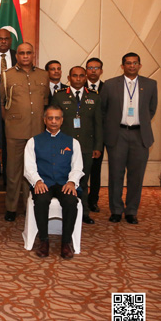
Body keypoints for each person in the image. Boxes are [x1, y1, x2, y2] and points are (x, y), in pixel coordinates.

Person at [101, 52, 157, 224]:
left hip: (140, 135)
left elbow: (151, 109)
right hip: (118, 134)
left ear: (140, 65)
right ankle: (116, 210)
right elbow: (103, 109)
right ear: (122, 65)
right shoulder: (110, 85)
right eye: (128, 63)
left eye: (135, 63)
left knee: (136, 176)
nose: (132, 66)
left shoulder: (150, 84)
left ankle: (132, 211)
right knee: (116, 174)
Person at [24, 105, 83, 260]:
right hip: (43, 182)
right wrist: (37, 181)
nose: (54, 121)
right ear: (45, 120)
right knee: (41, 199)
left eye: (57, 118)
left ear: (62, 120)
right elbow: (29, 166)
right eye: (50, 118)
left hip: (64, 183)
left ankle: (65, 242)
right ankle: (43, 241)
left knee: (71, 202)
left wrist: (71, 182)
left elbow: (78, 166)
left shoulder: (73, 143)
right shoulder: (33, 142)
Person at [0, 42, 49, 222]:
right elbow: (0, 103)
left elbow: (46, 102)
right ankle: (11, 208)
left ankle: (31, 206)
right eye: (22, 53)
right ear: (17, 55)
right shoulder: (6, 75)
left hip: (37, 132)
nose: (25, 56)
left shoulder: (44, 75)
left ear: (33, 54)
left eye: (28, 52)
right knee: (13, 171)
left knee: (34, 171)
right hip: (15, 132)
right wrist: (10, 121)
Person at [51, 66, 102, 225]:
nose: (78, 79)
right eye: (75, 76)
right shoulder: (59, 96)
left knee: (83, 180)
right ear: (69, 77)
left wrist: (98, 146)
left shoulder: (94, 96)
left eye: (81, 76)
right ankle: (63, 211)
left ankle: (84, 212)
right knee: (63, 179)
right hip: (64, 146)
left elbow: (99, 124)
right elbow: (52, 122)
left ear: (85, 77)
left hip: (86, 147)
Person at [85, 57, 104, 212]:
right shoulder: (77, 87)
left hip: (98, 136)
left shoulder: (108, 88)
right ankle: (81, 199)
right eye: (90, 67)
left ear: (101, 71)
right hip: (80, 137)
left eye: (96, 68)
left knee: (95, 171)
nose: (93, 70)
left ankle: (93, 200)